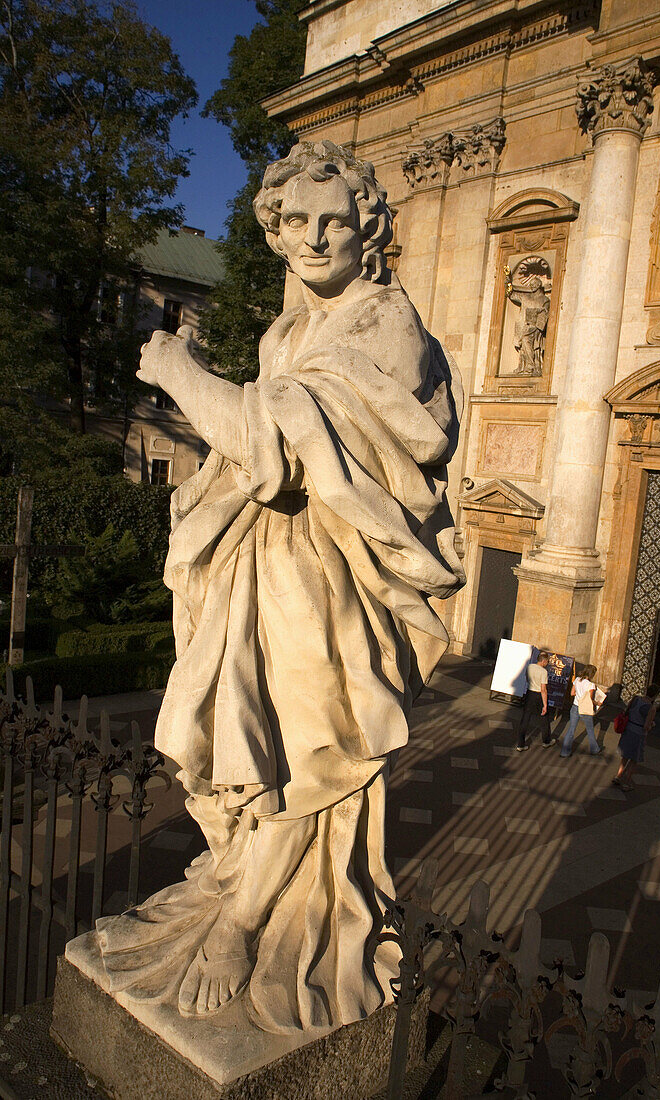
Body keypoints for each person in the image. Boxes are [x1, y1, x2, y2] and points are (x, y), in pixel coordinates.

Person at [92, 140, 465, 1032]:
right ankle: (236, 881)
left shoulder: (386, 323)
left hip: (330, 579)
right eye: (295, 220)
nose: (315, 237)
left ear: (368, 228)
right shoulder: (284, 331)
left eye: (336, 220)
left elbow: (286, 449)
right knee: (246, 741)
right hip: (265, 562)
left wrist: (182, 375)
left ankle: (251, 922)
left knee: (313, 751)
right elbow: (250, 442)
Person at [612, 683, 660, 790]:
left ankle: (618, 776)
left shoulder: (636, 699)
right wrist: (652, 724)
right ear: (655, 695)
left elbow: (627, 711)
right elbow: (646, 726)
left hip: (628, 728)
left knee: (625, 756)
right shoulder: (651, 708)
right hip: (638, 733)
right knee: (634, 759)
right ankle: (627, 782)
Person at [559, 664, 602, 757]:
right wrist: (598, 703)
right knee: (590, 730)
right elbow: (590, 699)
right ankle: (594, 749)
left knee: (571, 729)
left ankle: (564, 752)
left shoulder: (577, 680)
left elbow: (572, 693)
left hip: (575, 707)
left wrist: (579, 695)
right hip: (585, 709)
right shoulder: (591, 685)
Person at [516, 650, 555, 750]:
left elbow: (527, 678)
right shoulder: (543, 672)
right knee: (544, 718)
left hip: (530, 693)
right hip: (538, 695)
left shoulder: (530, 667)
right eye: (547, 662)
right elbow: (543, 690)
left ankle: (520, 744)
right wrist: (545, 704)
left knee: (525, 718)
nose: (547, 664)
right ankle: (546, 741)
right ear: (543, 661)